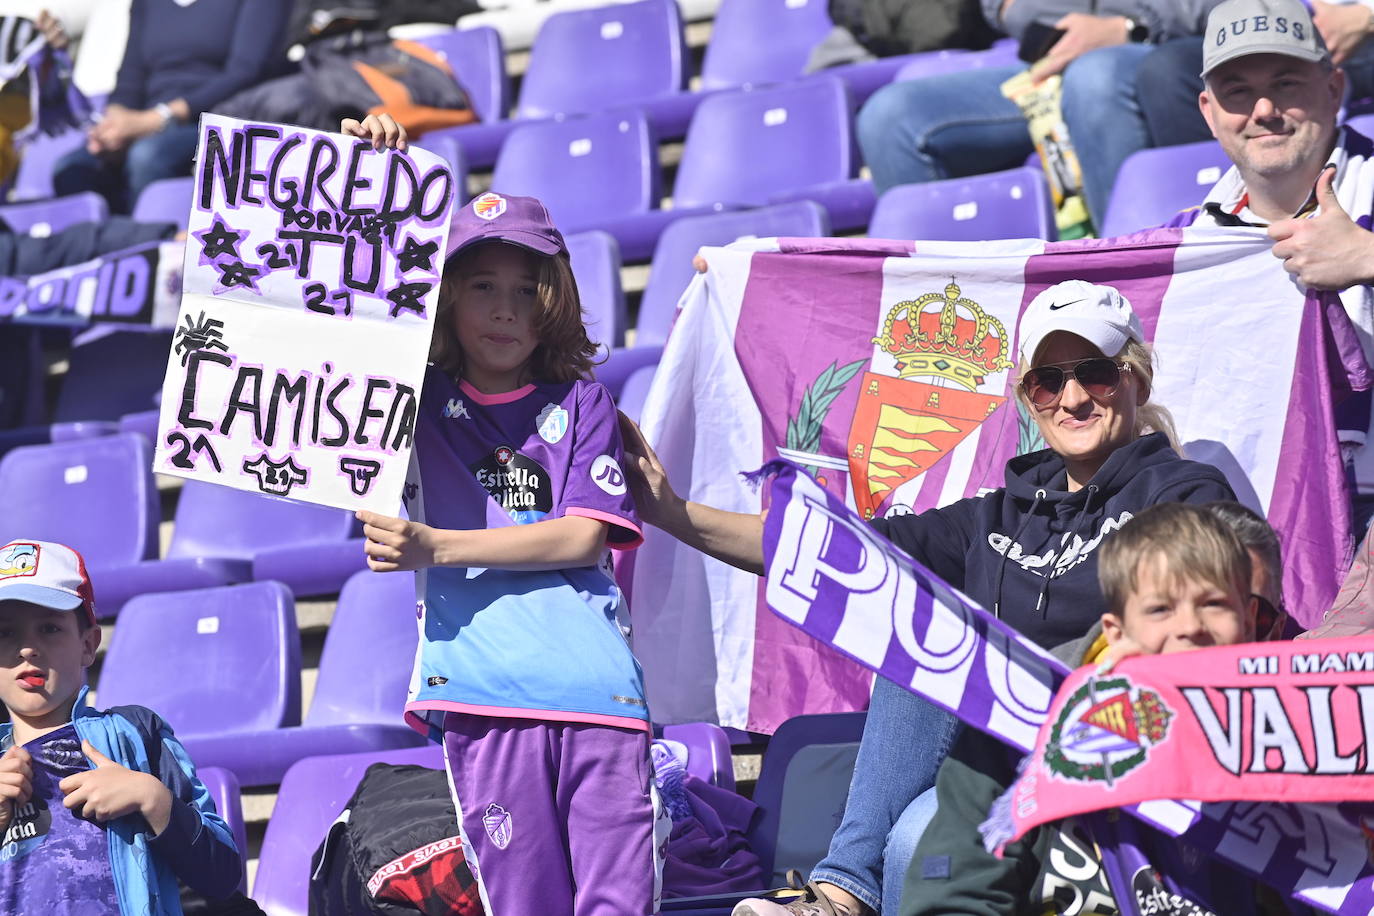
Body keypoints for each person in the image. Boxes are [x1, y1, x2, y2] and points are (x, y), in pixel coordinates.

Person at [623, 279, 1236, 915]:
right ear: (1030, 399)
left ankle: (841, 893)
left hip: (1117, 742)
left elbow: (1210, 634)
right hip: (997, 763)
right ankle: (839, 895)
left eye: (1097, 374)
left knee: (920, 830)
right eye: (1048, 382)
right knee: (915, 765)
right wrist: (671, 512)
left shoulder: (1184, 493)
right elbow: (828, 548)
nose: (1073, 398)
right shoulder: (995, 518)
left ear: (1136, 379)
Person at [343, 115, 662, 916]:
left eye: (527, 290)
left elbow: (584, 534)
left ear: (553, 303)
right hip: (483, 699)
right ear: (445, 296)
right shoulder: (417, 400)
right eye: (481, 285)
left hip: (599, 700)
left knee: (618, 904)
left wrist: (435, 545)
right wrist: (374, 183)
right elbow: (347, 329)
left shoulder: (583, 400)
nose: (505, 309)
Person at [899, 501, 1274, 915]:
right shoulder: (1027, 715)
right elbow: (955, 896)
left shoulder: (1297, 732)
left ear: (1250, 617)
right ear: (1117, 631)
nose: (1190, 627)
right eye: (1160, 609)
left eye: (1213, 604)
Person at [1161, 0, 1374, 532]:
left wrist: (1368, 258)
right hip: (1244, 533)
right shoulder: (1182, 243)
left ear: (1333, 89)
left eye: (1286, 83)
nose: (1263, 110)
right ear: (1208, 111)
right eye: (1237, 91)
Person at [0, 538, 242, 915]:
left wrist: (153, 799)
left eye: (49, 628)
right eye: (5, 633)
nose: (27, 649)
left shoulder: (135, 735)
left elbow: (223, 873)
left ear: (87, 644)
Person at [854, 0, 1224, 229]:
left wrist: (1130, 24)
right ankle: (938, 308)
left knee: (1093, 78)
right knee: (890, 117)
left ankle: (1132, 278)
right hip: (1047, 62)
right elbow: (1006, 8)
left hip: (1164, 50)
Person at [51, 0, 288, 213]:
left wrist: (157, 119)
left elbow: (246, 72)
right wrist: (113, 126)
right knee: (72, 168)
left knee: (147, 157)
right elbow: (131, 76)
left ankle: (151, 251)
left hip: (218, 119)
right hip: (149, 121)